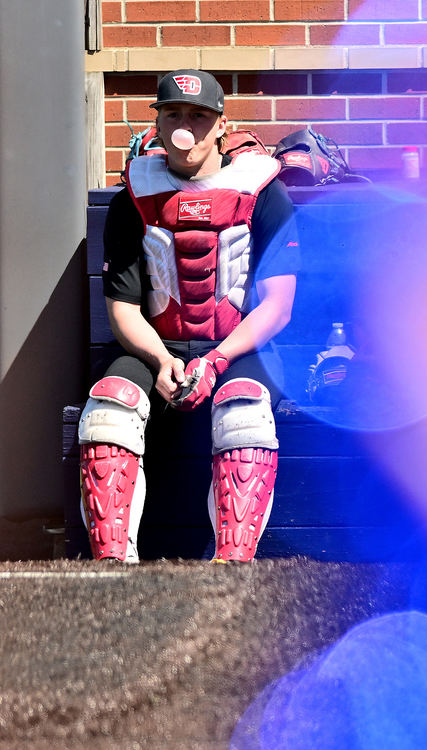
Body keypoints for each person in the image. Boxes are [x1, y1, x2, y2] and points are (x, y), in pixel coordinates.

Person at [78, 69, 300, 563]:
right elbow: (123, 308)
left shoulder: (263, 192)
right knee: (111, 403)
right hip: (161, 346)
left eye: (199, 116)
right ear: (156, 126)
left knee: (244, 407)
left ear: (221, 125)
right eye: (174, 114)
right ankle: (111, 566)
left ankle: (232, 563)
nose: (187, 127)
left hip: (241, 350)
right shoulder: (134, 200)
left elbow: (278, 305)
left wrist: (217, 361)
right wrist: (160, 362)